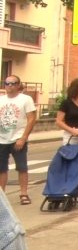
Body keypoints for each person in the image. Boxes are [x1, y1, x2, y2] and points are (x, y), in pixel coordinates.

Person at [0, 76, 36, 205]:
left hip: (18, 138)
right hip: (2, 139)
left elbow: (31, 119)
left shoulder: (25, 99)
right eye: (7, 83)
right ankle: (2, 196)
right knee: (1, 169)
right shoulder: (1, 99)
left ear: (18, 85)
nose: (10, 86)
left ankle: (24, 194)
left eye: (13, 83)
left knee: (22, 167)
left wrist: (24, 137)